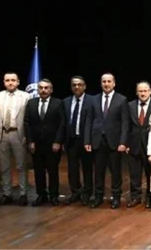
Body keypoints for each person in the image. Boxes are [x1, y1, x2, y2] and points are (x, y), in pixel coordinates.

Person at [86, 73, 129, 209]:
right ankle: (98, 197)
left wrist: (123, 142)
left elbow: (125, 123)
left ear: (114, 83)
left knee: (115, 172)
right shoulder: (94, 99)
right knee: (98, 171)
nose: (106, 84)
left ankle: (115, 197)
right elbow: (89, 121)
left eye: (109, 81)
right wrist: (87, 140)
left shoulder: (121, 100)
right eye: (104, 81)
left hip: (114, 142)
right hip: (98, 141)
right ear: (101, 83)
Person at [0, 72, 31, 206]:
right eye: (7, 80)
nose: (10, 83)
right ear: (4, 82)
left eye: (13, 80)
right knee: (4, 167)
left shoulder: (25, 96)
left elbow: (28, 118)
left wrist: (27, 137)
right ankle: (7, 194)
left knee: (21, 166)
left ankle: (23, 194)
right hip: (2, 134)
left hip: (18, 134)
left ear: (18, 82)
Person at [24, 78, 66, 206]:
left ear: (51, 90)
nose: (43, 90)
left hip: (52, 144)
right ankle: (41, 195)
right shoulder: (31, 103)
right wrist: (30, 141)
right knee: (38, 171)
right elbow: (27, 123)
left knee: (52, 171)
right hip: (36, 144)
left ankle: (54, 196)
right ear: (38, 89)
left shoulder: (58, 103)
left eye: (46, 88)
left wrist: (58, 141)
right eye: (41, 88)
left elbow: (62, 124)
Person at [126, 81, 151, 208]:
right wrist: (126, 142)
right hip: (133, 145)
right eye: (140, 91)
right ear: (136, 92)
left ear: (150, 91)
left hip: (150, 145)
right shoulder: (130, 106)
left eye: (145, 91)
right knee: (134, 173)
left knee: (150, 173)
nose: (143, 93)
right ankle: (135, 197)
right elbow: (126, 125)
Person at [63, 76, 94, 205]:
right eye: (74, 85)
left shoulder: (92, 101)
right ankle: (75, 192)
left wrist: (89, 140)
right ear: (71, 87)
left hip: (86, 140)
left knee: (87, 168)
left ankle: (87, 193)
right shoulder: (66, 101)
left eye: (79, 84)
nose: (77, 87)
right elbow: (63, 122)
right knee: (72, 168)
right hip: (71, 140)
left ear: (84, 86)